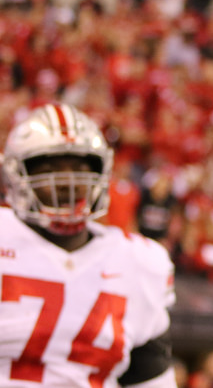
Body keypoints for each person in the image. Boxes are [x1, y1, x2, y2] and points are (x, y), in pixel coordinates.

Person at [0, 102, 177, 387]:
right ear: (16, 176)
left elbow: (151, 379)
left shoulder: (137, 261)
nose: (67, 182)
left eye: (80, 168)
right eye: (49, 168)